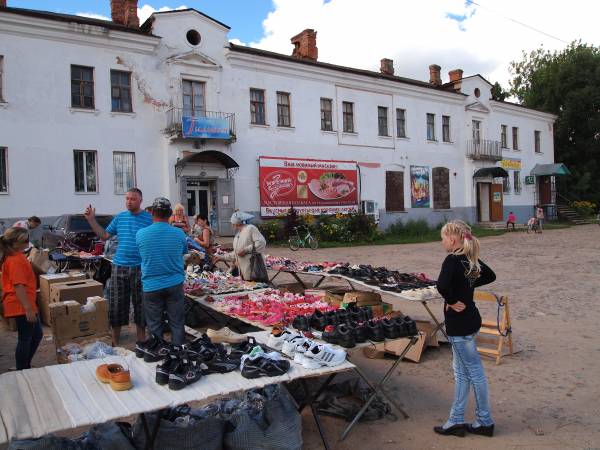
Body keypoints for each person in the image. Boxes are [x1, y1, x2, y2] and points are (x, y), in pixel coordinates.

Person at [434, 220, 496, 438]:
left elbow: (440, 285)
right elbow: (489, 275)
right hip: (471, 320)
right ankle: (456, 420)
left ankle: (485, 421)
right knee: (462, 373)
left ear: (452, 239)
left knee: (473, 373)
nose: (442, 242)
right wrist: (466, 286)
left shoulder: (452, 260)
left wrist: (451, 298)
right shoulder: (468, 259)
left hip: (460, 325)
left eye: (443, 238)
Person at [84, 187, 153, 345]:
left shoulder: (148, 219)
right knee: (116, 304)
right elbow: (105, 236)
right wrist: (91, 220)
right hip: (119, 266)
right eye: (127, 198)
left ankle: (141, 341)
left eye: (133, 199)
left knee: (141, 305)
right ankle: (115, 342)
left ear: (140, 200)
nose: (129, 202)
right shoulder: (120, 217)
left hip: (140, 267)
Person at [136, 198, 188, 345]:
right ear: (170, 214)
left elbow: (141, 255)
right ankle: (178, 353)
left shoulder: (141, 234)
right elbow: (183, 252)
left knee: (154, 324)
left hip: (151, 285)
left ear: (152, 213)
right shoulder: (179, 234)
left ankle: (156, 352)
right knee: (177, 322)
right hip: (174, 283)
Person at [1, 227, 42, 370]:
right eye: (25, 240)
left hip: (25, 302)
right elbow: (18, 286)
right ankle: (22, 369)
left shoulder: (17, 256)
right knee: (26, 338)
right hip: (20, 304)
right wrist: (28, 309)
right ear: (15, 243)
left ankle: (24, 365)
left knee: (36, 335)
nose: (28, 242)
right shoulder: (15, 260)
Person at [213, 211, 266, 281]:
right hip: (243, 272)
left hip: (254, 269)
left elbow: (261, 243)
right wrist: (221, 257)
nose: (232, 224)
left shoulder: (250, 228)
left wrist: (245, 250)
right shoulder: (238, 235)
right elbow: (236, 253)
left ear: (236, 222)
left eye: (232, 222)